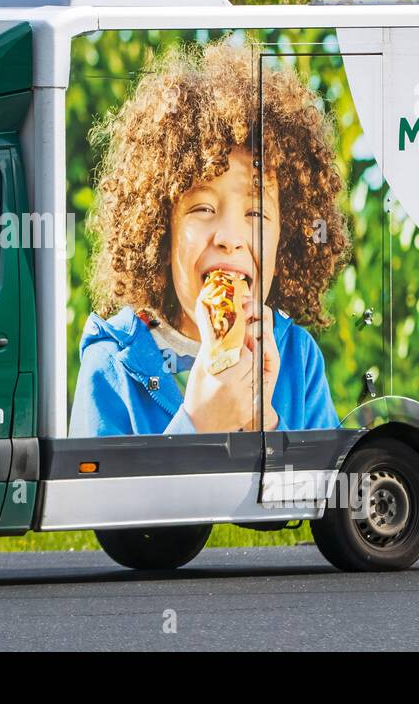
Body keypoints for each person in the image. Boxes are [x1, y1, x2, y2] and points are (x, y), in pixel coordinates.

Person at [69, 38, 348, 437]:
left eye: (255, 213)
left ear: (286, 240)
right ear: (161, 229)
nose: (231, 238)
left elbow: (328, 498)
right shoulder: (112, 365)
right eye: (202, 209)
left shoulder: (297, 359)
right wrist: (196, 424)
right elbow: (98, 501)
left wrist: (262, 422)